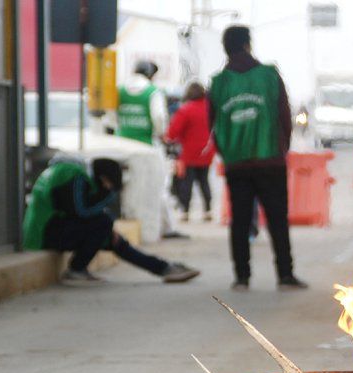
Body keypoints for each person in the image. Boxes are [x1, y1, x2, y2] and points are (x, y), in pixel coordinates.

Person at [209, 25, 307, 291]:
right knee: (277, 219)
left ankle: (242, 277)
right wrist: (280, 150)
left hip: (236, 163)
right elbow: (284, 116)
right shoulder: (268, 75)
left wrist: (228, 151)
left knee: (239, 220)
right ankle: (285, 275)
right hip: (269, 160)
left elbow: (213, 123)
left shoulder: (219, 83)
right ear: (248, 45)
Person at [22, 157, 200, 286]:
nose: (109, 190)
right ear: (103, 179)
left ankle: (163, 268)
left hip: (52, 229)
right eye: (109, 185)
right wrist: (107, 197)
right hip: (42, 235)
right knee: (104, 224)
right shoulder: (75, 177)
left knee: (111, 237)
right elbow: (80, 211)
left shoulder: (71, 172)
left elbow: (76, 213)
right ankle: (76, 269)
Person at [117, 60, 187, 239]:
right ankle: (163, 228)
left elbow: (111, 117)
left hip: (122, 145)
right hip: (147, 146)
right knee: (157, 187)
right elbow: (159, 118)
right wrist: (161, 133)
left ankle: (134, 222)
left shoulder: (120, 90)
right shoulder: (152, 92)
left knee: (126, 188)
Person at [166, 82, 216, 222]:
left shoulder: (185, 110)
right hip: (207, 152)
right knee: (204, 182)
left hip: (188, 153)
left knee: (186, 183)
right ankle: (207, 210)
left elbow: (173, 131)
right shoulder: (211, 109)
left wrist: (168, 138)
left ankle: (185, 211)